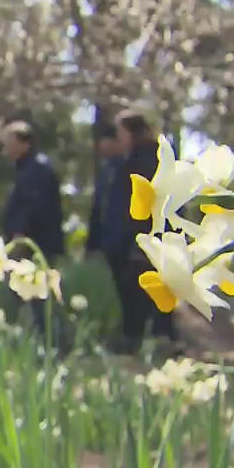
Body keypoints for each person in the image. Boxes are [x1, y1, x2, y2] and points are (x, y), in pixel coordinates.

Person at [112, 110, 179, 353]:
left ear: (131, 132)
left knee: (145, 291)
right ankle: (157, 339)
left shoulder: (145, 160)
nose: (118, 138)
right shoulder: (144, 157)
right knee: (147, 290)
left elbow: (146, 204)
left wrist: (139, 241)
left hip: (146, 239)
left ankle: (153, 340)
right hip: (147, 238)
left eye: (121, 132)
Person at [0, 119, 65, 336]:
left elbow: (33, 206)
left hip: (35, 245)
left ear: (24, 143)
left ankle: (51, 344)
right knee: (30, 297)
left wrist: (19, 237)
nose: (4, 149)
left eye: (9, 142)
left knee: (39, 297)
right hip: (30, 243)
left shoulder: (37, 169)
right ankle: (41, 340)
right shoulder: (28, 169)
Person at [84, 124, 125, 260]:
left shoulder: (128, 167)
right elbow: (99, 205)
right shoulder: (106, 169)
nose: (101, 146)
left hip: (123, 239)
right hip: (107, 239)